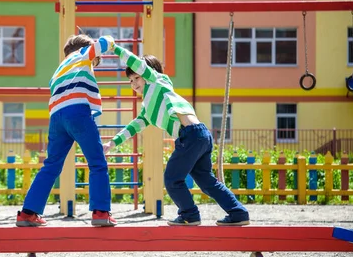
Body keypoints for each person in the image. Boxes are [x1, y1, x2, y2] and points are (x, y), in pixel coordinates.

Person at [102, 43, 250, 226]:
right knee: (206, 181)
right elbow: (134, 126)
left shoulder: (157, 81)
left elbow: (137, 63)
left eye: (137, 78)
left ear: (147, 73)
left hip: (190, 135)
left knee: (172, 179)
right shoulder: (148, 108)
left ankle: (189, 214)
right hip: (200, 135)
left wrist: (114, 47)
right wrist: (111, 144)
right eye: (130, 81)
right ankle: (238, 212)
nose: (134, 84)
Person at [16, 34, 118, 228]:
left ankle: (28, 213)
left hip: (56, 117)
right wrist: (111, 41)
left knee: (51, 165)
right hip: (77, 111)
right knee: (97, 162)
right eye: (95, 63)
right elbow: (103, 43)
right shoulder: (83, 54)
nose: (93, 66)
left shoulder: (59, 69)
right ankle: (101, 212)